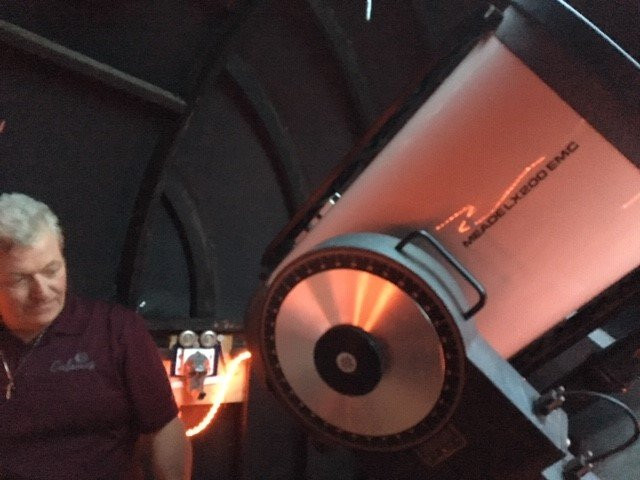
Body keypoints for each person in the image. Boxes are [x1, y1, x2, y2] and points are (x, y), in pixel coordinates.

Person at [0, 192, 192, 480]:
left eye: (51, 270)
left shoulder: (116, 331)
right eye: (20, 279)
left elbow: (163, 427)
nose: (42, 291)